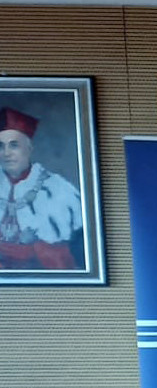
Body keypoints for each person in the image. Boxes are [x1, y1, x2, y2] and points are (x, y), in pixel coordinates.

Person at [0, 105, 85, 270]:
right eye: (0, 146)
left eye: (14, 145)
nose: (6, 153)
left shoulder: (57, 189)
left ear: (29, 149)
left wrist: (34, 250)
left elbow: (74, 257)